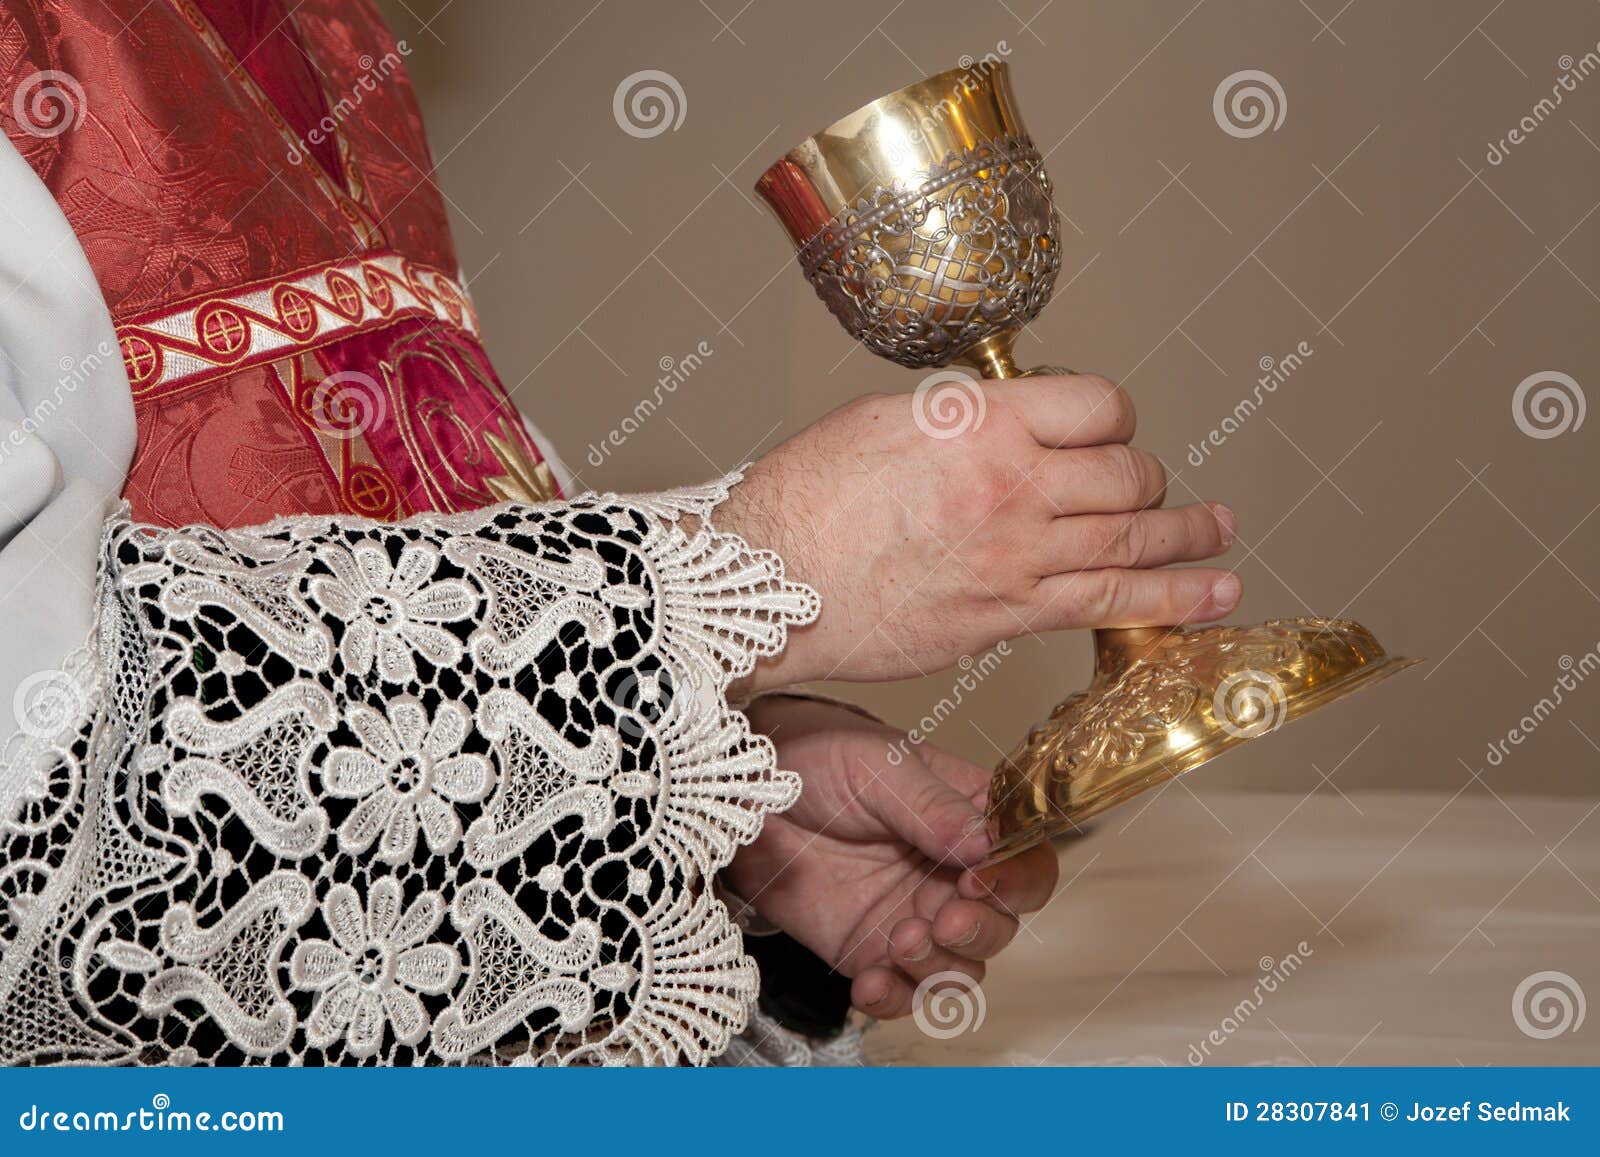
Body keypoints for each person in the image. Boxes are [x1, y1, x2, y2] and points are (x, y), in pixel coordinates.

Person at [0, 0, 1239, 1066]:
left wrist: (685, 794)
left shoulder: (335, 31)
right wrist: (762, 566)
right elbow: (33, 742)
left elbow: (398, 525)